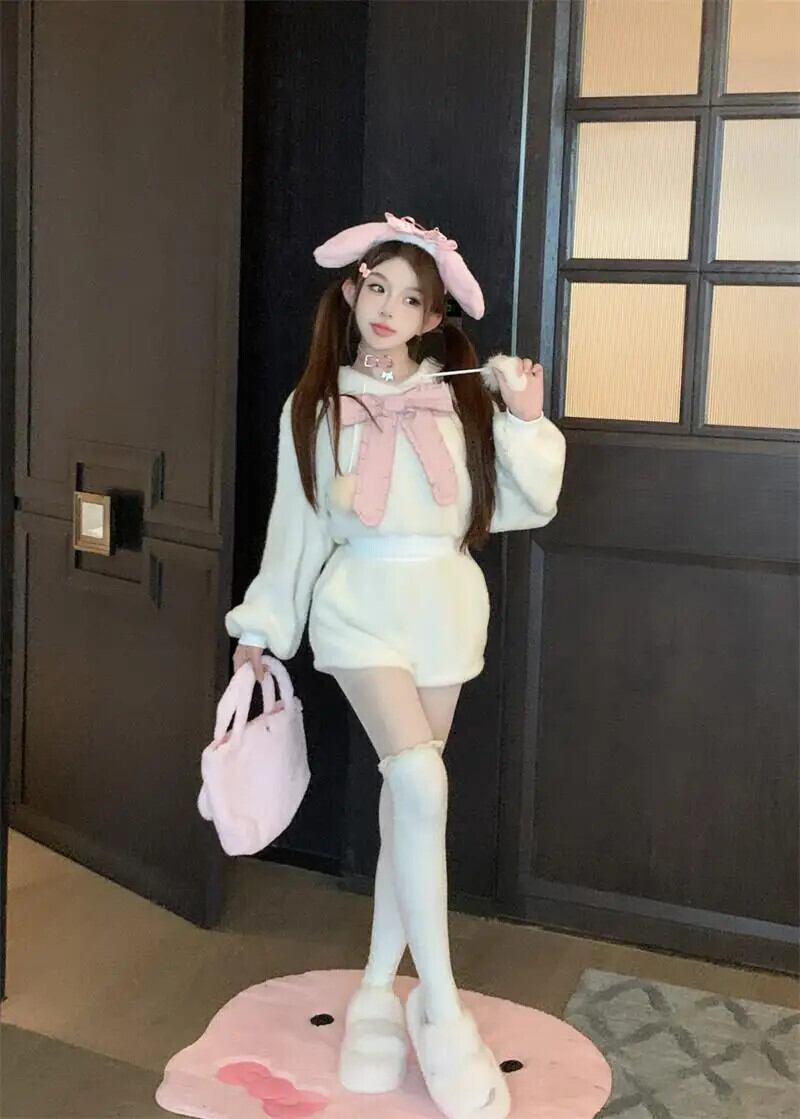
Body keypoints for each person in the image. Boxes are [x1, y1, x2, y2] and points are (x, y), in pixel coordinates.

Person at [225, 213, 567, 1119]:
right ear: (352, 290)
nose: (388, 308)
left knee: (407, 801)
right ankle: (441, 1008)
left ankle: (380, 988)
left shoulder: (460, 396)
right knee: (419, 781)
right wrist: (263, 624)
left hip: (444, 608)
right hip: (362, 606)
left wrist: (525, 417)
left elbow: (527, 503)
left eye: (411, 298)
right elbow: (296, 525)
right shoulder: (314, 405)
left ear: (431, 317)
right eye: (377, 286)